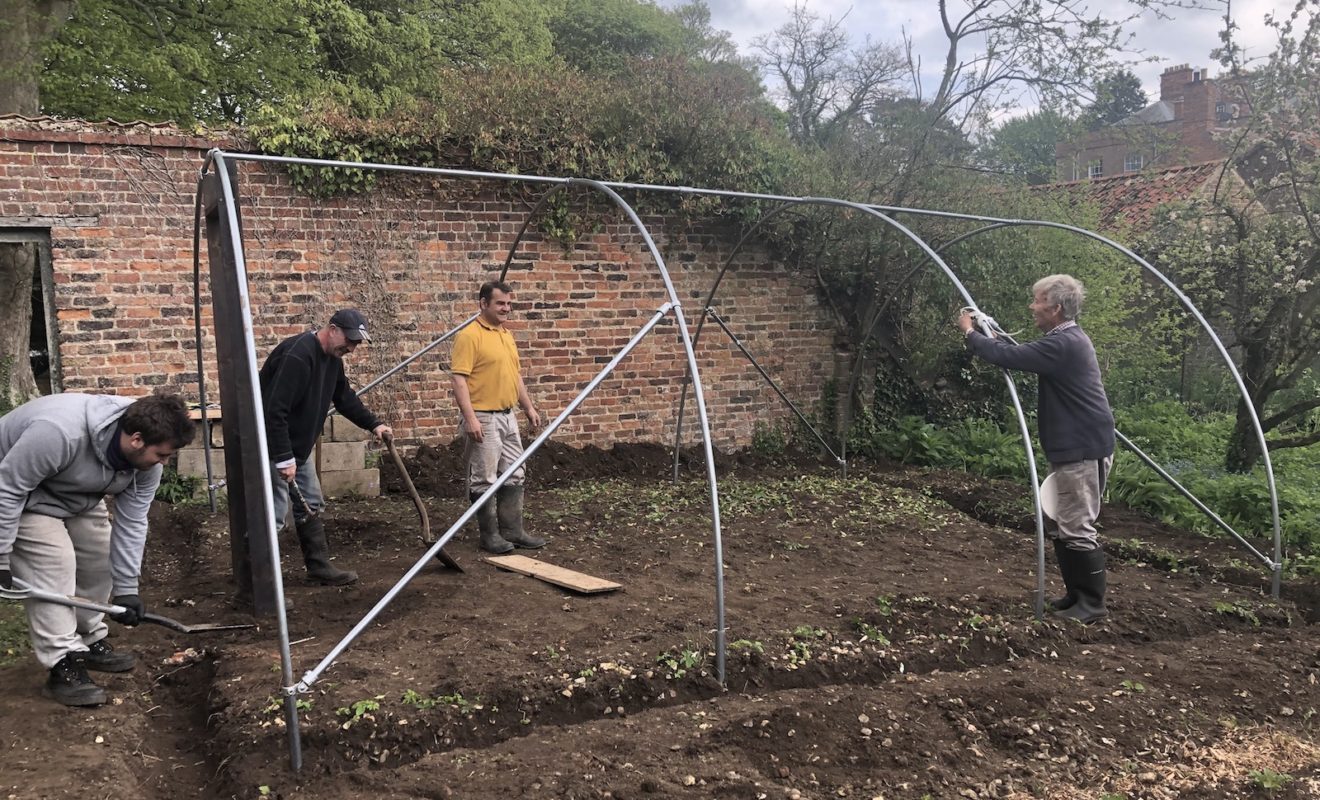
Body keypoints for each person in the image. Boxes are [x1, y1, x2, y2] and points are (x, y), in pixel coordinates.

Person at [0, 392, 196, 706]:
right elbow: (8, 487)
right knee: (53, 563)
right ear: (136, 440)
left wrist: (127, 589)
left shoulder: (146, 466)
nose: (164, 462)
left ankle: (87, 636)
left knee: (100, 555)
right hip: (20, 494)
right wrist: (1, 555)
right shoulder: (59, 433)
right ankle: (63, 660)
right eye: (161, 454)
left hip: (75, 493)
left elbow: (132, 522)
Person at [957, 274, 1116, 623]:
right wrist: (990, 338)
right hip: (1074, 446)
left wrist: (970, 332)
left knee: (1076, 525)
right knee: (1063, 522)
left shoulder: (1065, 344)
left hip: (1082, 448)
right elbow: (1015, 352)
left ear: (1056, 308)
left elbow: (1009, 358)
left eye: (1038, 301)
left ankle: (1091, 604)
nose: (1033, 307)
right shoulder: (1062, 340)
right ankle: (1076, 596)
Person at [260, 308, 392, 586]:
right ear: (332, 329)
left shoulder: (332, 359)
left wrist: (374, 424)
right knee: (273, 515)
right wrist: (283, 457)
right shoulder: (297, 355)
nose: (352, 348)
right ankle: (261, 584)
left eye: (356, 343)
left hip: (299, 448)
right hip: (273, 446)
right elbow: (274, 410)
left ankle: (318, 567)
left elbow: (344, 398)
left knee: (311, 503)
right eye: (350, 340)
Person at [451, 280, 546, 553]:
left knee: (516, 472)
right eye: (500, 303)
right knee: (485, 477)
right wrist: (470, 418)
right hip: (483, 416)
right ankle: (489, 535)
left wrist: (527, 407)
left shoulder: (506, 335)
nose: (506, 309)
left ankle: (513, 531)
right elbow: (459, 379)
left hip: (507, 415)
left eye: (508, 304)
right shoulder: (470, 335)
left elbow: (515, 376)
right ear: (483, 304)